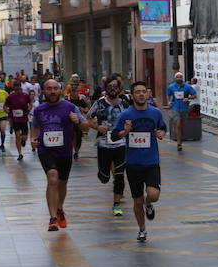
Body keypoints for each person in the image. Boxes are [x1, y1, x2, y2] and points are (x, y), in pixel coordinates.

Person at [111, 81, 166, 242]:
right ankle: (142, 229)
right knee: (137, 200)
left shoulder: (155, 113)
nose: (141, 94)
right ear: (132, 95)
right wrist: (125, 131)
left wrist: (161, 133)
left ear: (148, 94)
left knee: (153, 195)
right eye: (138, 92)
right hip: (133, 163)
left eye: (144, 91)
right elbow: (114, 136)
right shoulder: (126, 115)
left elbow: (162, 127)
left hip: (151, 161)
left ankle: (149, 204)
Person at [31, 79, 87, 231]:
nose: (53, 91)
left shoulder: (70, 107)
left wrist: (77, 121)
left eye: (55, 88)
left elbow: (85, 125)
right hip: (46, 150)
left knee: (62, 183)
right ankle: (52, 218)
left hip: (64, 151)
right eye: (49, 89)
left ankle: (60, 208)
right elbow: (35, 126)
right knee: (52, 178)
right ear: (44, 91)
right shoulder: (39, 110)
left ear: (60, 90)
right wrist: (33, 139)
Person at [87, 75, 129, 217]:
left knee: (119, 176)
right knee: (104, 177)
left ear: (119, 89)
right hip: (104, 144)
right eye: (109, 87)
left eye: (115, 87)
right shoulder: (99, 103)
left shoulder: (125, 104)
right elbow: (88, 118)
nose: (112, 89)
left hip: (121, 144)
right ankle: (103, 174)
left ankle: (116, 204)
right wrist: (98, 127)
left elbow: (132, 118)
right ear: (106, 89)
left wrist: (128, 129)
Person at [164, 71, 196, 152]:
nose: (179, 78)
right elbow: (168, 94)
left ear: (182, 78)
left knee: (182, 126)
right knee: (178, 124)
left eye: (180, 77)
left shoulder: (187, 86)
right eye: (177, 77)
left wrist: (188, 98)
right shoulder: (171, 87)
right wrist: (168, 101)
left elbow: (194, 95)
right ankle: (179, 144)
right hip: (175, 108)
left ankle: (179, 137)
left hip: (184, 108)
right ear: (175, 78)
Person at [6, 81, 32, 161]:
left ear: (20, 87)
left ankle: (23, 140)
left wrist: (29, 110)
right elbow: (5, 106)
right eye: (15, 87)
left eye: (18, 87)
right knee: (17, 135)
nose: (17, 89)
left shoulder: (25, 96)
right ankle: (20, 153)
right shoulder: (10, 96)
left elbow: (30, 104)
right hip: (15, 119)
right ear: (14, 88)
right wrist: (7, 112)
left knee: (24, 137)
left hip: (24, 118)